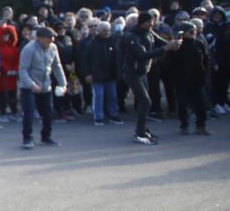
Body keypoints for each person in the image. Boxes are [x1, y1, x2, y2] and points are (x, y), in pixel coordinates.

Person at [121, 11, 181, 145]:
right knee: (145, 101)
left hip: (142, 72)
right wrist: (166, 48)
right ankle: (139, 133)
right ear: (142, 22)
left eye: (152, 21)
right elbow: (142, 55)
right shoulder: (132, 36)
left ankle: (142, 128)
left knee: (146, 101)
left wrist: (174, 43)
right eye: (149, 22)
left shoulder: (149, 33)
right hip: (132, 73)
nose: (152, 24)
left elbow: (161, 42)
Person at [18, 27, 67, 149]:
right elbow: (23, 70)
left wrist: (63, 83)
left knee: (48, 112)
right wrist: (31, 84)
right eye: (48, 39)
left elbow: (57, 66)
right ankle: (27, 138)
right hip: (29, 86)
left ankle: (46, 136)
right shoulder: (29, 49)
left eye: (52, 39)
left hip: (45, 86)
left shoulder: (53, 48)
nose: (50, 42)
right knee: (29, 112)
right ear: (39, 38)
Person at [76, 21, 123, 126]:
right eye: (104, 30)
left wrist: (118, 72)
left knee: (112, 96)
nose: (106, 33)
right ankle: (98, 117)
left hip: (110, 75)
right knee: (98, 96)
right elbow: (84, 60)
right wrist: (87, 74)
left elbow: (118, 59)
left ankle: (113, 115)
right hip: (96, 76)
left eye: (108, 30)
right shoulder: (91, 44)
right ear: (99, 31)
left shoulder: (113, 42)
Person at [171, 22, 210, 135]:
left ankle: (200, 126)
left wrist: (205, 71)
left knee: (201, 105)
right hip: (181, 80)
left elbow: (206, 59)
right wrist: (174, 77)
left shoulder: (199, 44)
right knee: (182, 105)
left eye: (195, 32)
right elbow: (170, 63)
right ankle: (184, 125)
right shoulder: (177, 45)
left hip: (197, 80)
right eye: (191, 32)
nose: (194, 34)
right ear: (183, 33)